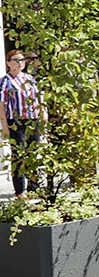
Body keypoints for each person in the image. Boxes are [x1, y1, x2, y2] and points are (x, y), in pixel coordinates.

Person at [1, 50, 45, 198]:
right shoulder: (6, 80)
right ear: (8, 63)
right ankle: (20, 190)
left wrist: (43, 113)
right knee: (19, 155)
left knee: (33, 153)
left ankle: (35, 188)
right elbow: (1, 105)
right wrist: (5, 126)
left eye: (22, 60)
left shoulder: (30, 78)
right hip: (16, 121)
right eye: (16, 60)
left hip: (33, 119)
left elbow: (39, 97)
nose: (20, 63)